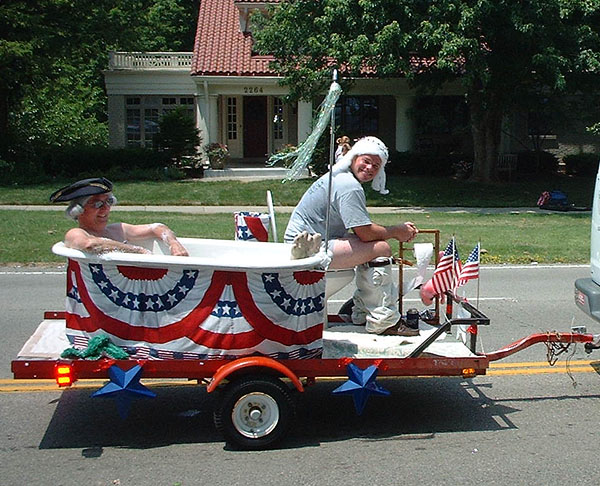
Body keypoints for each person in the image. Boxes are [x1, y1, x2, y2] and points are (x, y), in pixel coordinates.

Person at [285, 136, 419, 336]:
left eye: (376, 165)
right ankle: (382, 320)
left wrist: (391, 231)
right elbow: (365, 233)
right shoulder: (349, 186)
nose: (370, 168)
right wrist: (396, 231)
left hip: (306, 242)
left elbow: (361, 229)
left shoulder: (340, 176)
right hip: (307, 250)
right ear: (354, 157)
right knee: (381, 248)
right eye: (366, 161)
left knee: (374, 245)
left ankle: (363, 313)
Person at [50, 177, 189, 256]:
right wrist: (136, 251)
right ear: (79, 211)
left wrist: (173, 243)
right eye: (97, 204)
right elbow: (89, 244)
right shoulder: (76, 233)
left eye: (109, 202)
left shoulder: (117, 230)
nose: (105, 208)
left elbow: (157, 227)